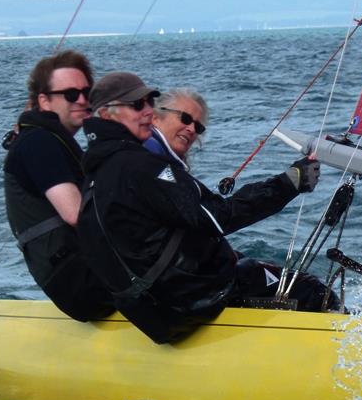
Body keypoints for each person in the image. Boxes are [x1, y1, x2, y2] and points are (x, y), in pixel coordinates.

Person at [77, 71, 335, 344]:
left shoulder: (96, 172)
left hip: (153, 311)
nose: (147, 112)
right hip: (191, 302)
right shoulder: (141, 167)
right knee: (312, 291)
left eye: (149, 103)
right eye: (137, 105)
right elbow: (218, 217)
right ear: (106, 114)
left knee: (249, 265)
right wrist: (290, 183)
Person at [3, 50, 114, 321]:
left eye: (87, 92)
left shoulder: (51, 140)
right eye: (71, 94)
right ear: (45, 101)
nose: (82, 100)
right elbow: (76, 214)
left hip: (82, 277)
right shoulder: (39, 143)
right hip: (83, 284)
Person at [143, 88, 208, 169]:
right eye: (185, 119)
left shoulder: (166, 160)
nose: (192, 129)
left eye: (198, 127)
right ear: (155, 118)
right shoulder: (149, 152)